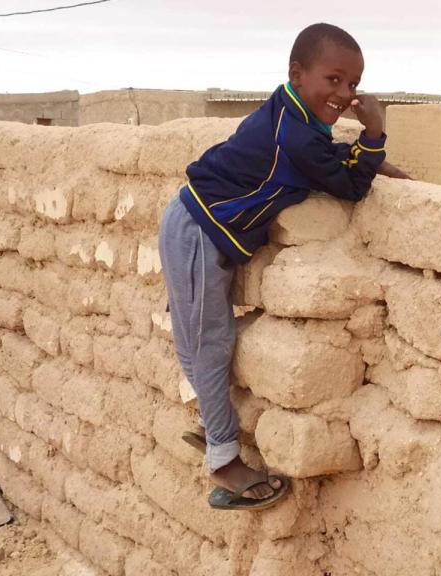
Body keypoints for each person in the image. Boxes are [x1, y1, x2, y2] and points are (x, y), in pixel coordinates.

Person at [158, 23, 407, 511]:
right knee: (208, 343)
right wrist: (374, 134)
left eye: (353, 84)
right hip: (197, 231)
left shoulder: (292, 112)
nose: (345, 94)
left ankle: (213, 425)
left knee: (199, 336)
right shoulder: (295, 133)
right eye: (333, 80)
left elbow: (323, 157)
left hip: (197, 225)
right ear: (297, 73)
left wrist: (374, 162)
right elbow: (349, 186)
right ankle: (224, 461)